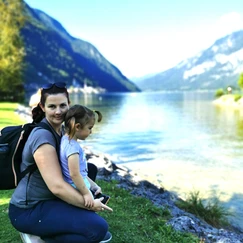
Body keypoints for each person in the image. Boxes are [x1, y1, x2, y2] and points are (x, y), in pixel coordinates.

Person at [8, 82, 113, 243]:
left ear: (68, 105)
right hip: (29, 210)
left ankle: (56, 227)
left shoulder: (63, 131)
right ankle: (39, 237)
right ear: (43, 107)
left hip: (50, 200)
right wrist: (90, 204)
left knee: (90, 169)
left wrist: (90, 186)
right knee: (98, 230)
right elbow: (56, 186)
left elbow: (74, 168)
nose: (58, 111)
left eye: (62, 105)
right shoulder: (42, 137)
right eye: (52, 106)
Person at [60, 105, 106, 208]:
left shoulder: (65, 140)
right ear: (77, 127)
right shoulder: (73, 148)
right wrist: (86, 193)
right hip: (76, 188)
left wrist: (93, 185)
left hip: (77, 185)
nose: (91, 132)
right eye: (89, 128)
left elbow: (80, 173)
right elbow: (74, 174)